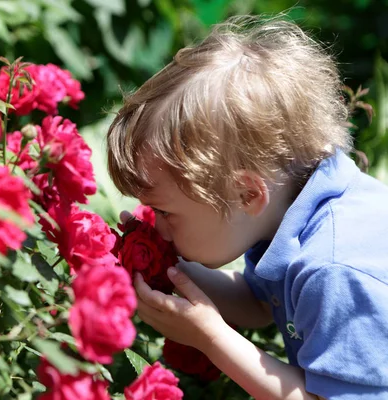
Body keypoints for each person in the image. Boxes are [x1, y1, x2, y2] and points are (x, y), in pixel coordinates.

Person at [106, 15, 388, 400]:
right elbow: (260, 304)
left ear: (247, 195)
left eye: (167, 213)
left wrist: (211, 338)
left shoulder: (334, 270)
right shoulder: (288, 214)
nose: (159, 226)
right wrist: (162, 264)